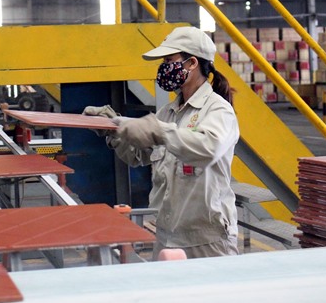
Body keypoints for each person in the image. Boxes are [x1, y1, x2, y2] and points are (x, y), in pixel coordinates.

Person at [84, 26, 240, 259]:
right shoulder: (168, 113)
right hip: (167, 235)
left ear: (192, 63)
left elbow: (207, 148)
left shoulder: (218, 110)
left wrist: (158, 130)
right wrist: (113, 131)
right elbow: (138, 155)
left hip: (207, 240)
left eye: (169, 60)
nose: (163, 67)